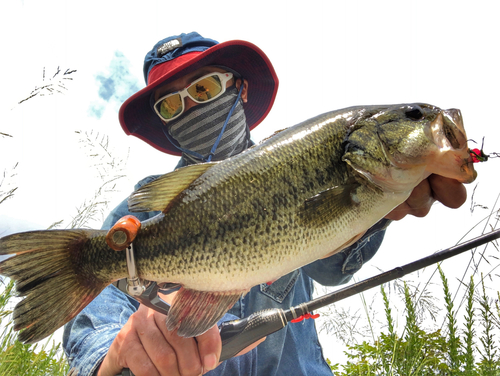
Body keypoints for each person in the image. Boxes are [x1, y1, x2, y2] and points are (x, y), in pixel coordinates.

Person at [63, 32, 467, 376]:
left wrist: (380, 206)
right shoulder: (141, 212)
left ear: (239, 89)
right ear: (164, 124)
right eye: (170, 105)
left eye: (203, 89)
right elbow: (94, 322)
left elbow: (330, 267)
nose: (190, 108)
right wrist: (114, 354)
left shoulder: (296, 164)